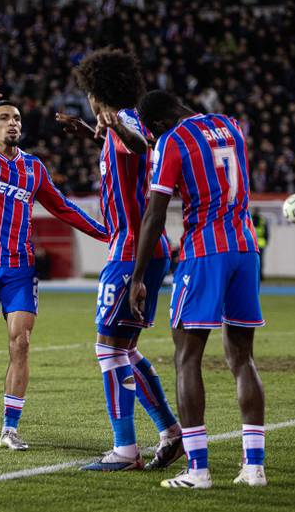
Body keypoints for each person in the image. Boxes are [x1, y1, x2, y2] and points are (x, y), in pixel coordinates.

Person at [0, 76, 108, 451]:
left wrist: (106, 234)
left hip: (20, 269)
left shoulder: (33, 169)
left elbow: (63, 208)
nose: (14, 123)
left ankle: (9, 429)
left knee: (21, 343)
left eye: (17, 119)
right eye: (5, 117)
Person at [130, 90, 266, 489]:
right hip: (245, 247)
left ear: (156, 125)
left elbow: (155, 213)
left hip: (205, 251)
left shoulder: (172, 141)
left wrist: (138, 277)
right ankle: (254, 467)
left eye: (150, 135)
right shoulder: (231, 125)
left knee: (187, 357)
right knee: (243, 357)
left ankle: (198, 469)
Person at [60, 49, 182, 472]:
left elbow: (141, 143)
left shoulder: (125, 121)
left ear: (98, 93)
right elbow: (134, 150)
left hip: (131, 251)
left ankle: (125, 449)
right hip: (141, 248)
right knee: (124, 349)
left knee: (107, 349)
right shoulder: (115, 124)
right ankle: (170, 432)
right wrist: (89, 133)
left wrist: (118, 130)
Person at [251, 208, 268, 281]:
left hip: (252, 244)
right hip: (260, 243)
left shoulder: (249, 218)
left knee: (252, 262)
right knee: (260, 261)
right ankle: (260, 276)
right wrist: (266, 241)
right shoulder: (262, 220)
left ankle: (255, 276)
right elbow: (266, 232)